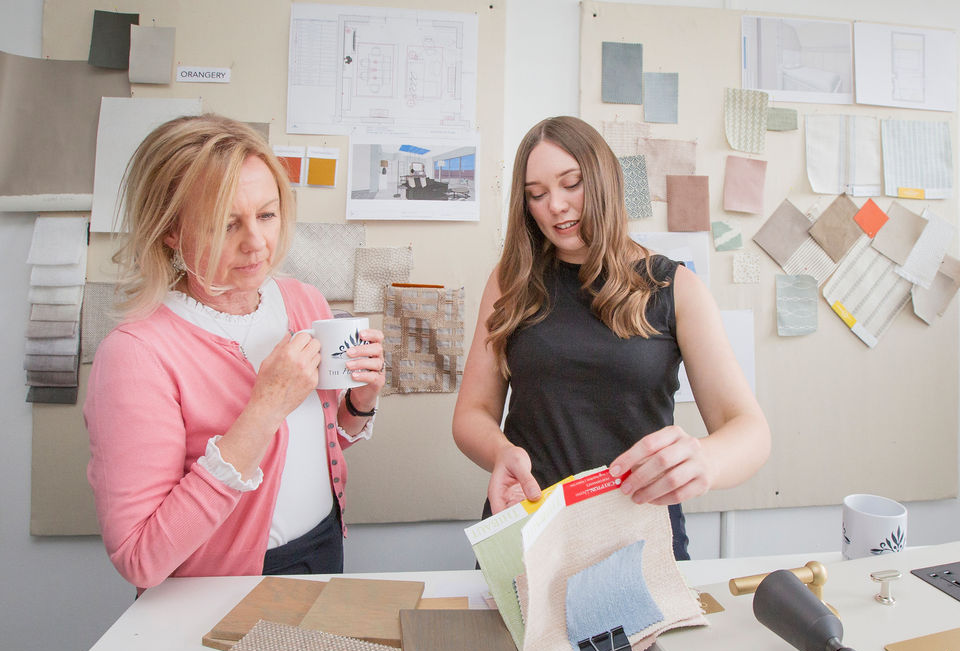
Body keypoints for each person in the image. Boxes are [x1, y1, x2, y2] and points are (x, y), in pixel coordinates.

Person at [84, 114, 385, 590]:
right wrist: (265, 407)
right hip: (221, 587)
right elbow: (140, 558)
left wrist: (359, 403)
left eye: (266, 215)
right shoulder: (135, 355)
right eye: (226, 224)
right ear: (170, 230)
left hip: (325, 546)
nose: (256, 243)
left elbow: (311, 443)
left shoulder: (303, 301)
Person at [452, 116, 770, 559]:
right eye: (537, 195)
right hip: (529, 527)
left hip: (638, 539)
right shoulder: (510, 281)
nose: (555, 205)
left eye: (571, 184)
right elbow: (472, 414)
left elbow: (750, 431)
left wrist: (707, 460)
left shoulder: (674, 286)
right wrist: (500, 452)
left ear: (603, 180)